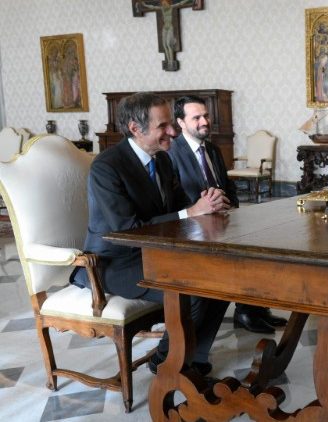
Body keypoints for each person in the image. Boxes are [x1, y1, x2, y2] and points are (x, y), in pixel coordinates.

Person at [70, 92, 231, 376]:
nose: (173, 131)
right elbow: (126, 230)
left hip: (154, 254)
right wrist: (190, 213)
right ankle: (167, 362)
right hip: (115, 262)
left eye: (171, 123)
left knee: (224, 281)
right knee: (194, 291)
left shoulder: (164, 160)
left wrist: (209, 202)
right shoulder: (107, 167)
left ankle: (193, 357)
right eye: (163, 126)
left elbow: (183, 206)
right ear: (135, 128)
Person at [169, 95, 288, 334]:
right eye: (197, 118)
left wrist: (234, 211)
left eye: (206, 115)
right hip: (193, 224)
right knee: (239, 251)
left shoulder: (212, 149)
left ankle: (254, 308)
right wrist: (203, 209)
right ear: (181, 123)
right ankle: (245, 311)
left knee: (260, 239)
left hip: (223, 218)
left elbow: (228, 186)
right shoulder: (171, 153)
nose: (204, 121)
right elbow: (173, 200)